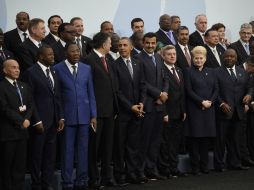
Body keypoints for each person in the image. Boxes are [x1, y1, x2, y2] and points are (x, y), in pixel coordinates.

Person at [54, 42, 97, 190]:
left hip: (85, 117)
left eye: (78, 51)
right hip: (67, 118)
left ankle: (82, 181)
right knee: (67, 151)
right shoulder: (57, 68)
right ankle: (67, 182)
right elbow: (57, 96)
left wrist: (93, 115)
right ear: (66, 53)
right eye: (73, 51)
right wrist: (60, 116)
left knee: (83, 150)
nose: (76, 54)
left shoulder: (86, 68)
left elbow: (91, 93)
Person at [22, 45, 64, 190]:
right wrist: (36, 120)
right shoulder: (30, 73)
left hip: (53, 121)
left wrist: (61, 117)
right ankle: (36, 184)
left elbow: (57, 96)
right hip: (39, 122)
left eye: (53, 54)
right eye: (50, 55)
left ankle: (47, 184)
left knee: (50, 156)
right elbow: (30, 99)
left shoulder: (53, 70)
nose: (53, 56)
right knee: (37, 155)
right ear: (41, 56)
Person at [84, 32, 118, 189]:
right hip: (96, 113)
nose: (111, 45)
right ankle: (93, 178)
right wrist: (92, 113)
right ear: (103, 44)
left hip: (110, 111)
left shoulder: (109, 59)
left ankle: (107, 177)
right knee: (94, 147)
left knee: (108, 147)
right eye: (110, 43)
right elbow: (87, 88)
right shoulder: (88, 60)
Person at [113, 37, 146, 186]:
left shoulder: (138, 62)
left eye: (125, 45)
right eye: (119, 45)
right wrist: (130, 106)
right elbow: (117, 91)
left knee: (134, 145)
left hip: (138, 111)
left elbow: (143, 85)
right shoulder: (114, 65)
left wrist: (141, 104)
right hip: (123, 112)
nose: (122, 48)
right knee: (120, 146)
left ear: (131, 47)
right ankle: (120, 175)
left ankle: (133, 173)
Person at [214, 49, 253, 171]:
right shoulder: (216, 72)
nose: (229, 58)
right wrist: (220, 104)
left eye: (232, 57)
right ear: (223, 58)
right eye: (227, 56)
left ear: (236, 59)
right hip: (223, 112)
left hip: (239, 112)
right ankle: (219, 165)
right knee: (220, 140)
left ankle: (235, 163)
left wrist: (249, 95)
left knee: (236, 140)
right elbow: (214, 91)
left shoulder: (243, 72)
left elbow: (250, 87)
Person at [137, 32, 168, 181]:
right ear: (143, 43)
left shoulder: (157, 57)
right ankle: (140, 170)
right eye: (148, 43)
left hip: (160, 106)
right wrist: (158, 95)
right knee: (145, 140)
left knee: (156, 140)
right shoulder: (138, 59)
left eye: (153, 43)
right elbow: (142, 82)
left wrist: (164, 94)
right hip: (148, 105)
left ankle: (151, 168)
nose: (150, 45)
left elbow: (165, 78)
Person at [184, 46, 218, 175]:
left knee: (205, 140)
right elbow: (189, 90)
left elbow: (216, 89)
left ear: (205, 59)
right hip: (195, 110)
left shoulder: (211, 71)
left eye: (201, 58)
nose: (198, 60)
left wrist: (210, 102)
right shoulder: (187, 71)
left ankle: (204, 167)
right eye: (196, 58)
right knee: (195, 140)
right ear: (192, 59)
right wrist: (201, 102)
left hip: (209, 110)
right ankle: (195, 168)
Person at [0, 59, 33, 190]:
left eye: (18, 67)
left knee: (20, 165)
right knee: (6, 165)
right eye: (13, 67)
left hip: (22, 133)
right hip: (8, 134)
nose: (17, 70)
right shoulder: (1, 87)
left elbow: (30, 105)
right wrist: (21, 120)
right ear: (5, 70)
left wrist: (27, 119)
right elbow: (4, 108)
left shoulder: (23, 86)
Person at [158, 45, 187, 178]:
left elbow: (182, 92)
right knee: (165, 143)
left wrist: (184, 110)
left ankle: (174, 167)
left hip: (179, 113)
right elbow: (161, 94)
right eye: (169, 54)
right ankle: (165, 169)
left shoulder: (180, 71)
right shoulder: (160, 70)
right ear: (163, 56)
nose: (172, 56)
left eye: (174, 54)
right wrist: (164, 112)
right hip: (167, 113)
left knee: (175, 142)